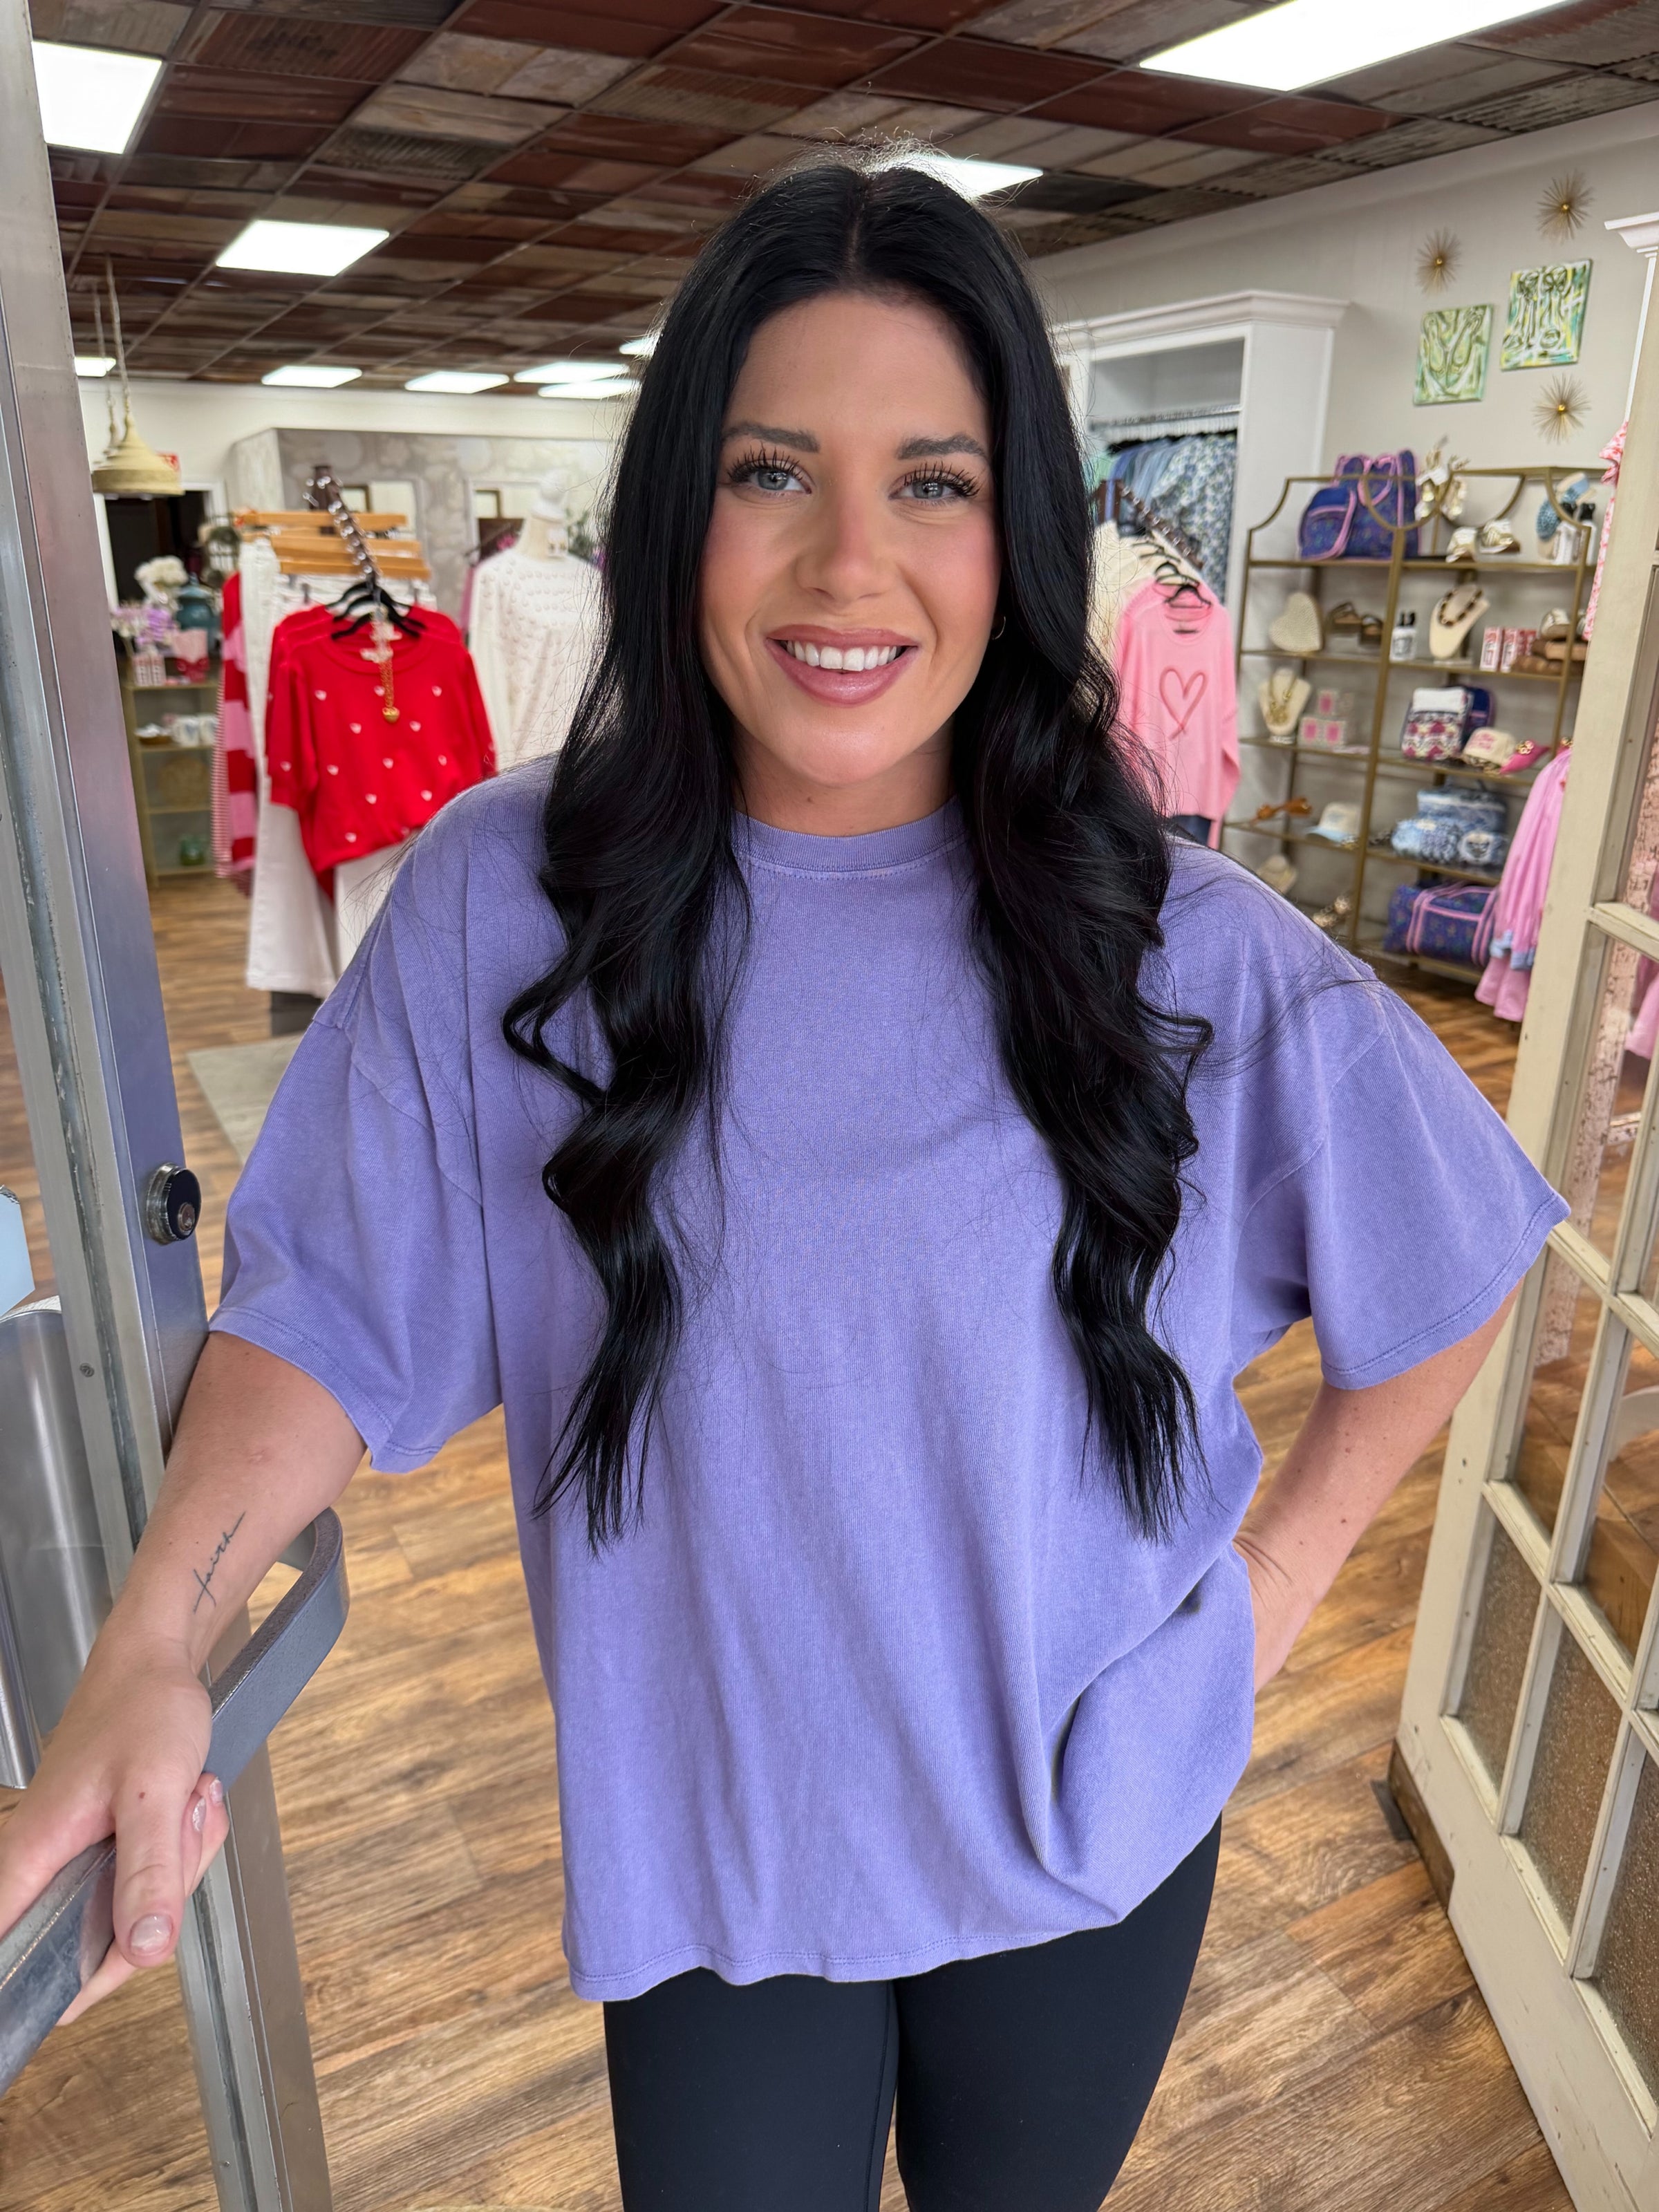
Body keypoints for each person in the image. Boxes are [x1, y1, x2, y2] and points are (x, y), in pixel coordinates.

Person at [0, 159, 1565, 2210]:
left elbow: (1455, 1251)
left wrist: (1264, 1600)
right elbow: (327, 1312)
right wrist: (153, 1645)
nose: (849, 563)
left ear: (1021, 530)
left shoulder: (1181, 941)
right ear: (680, 510)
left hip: (1094, 1825)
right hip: (716, 1843)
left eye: (933, 481)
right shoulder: (506, 900)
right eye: (771, 473)